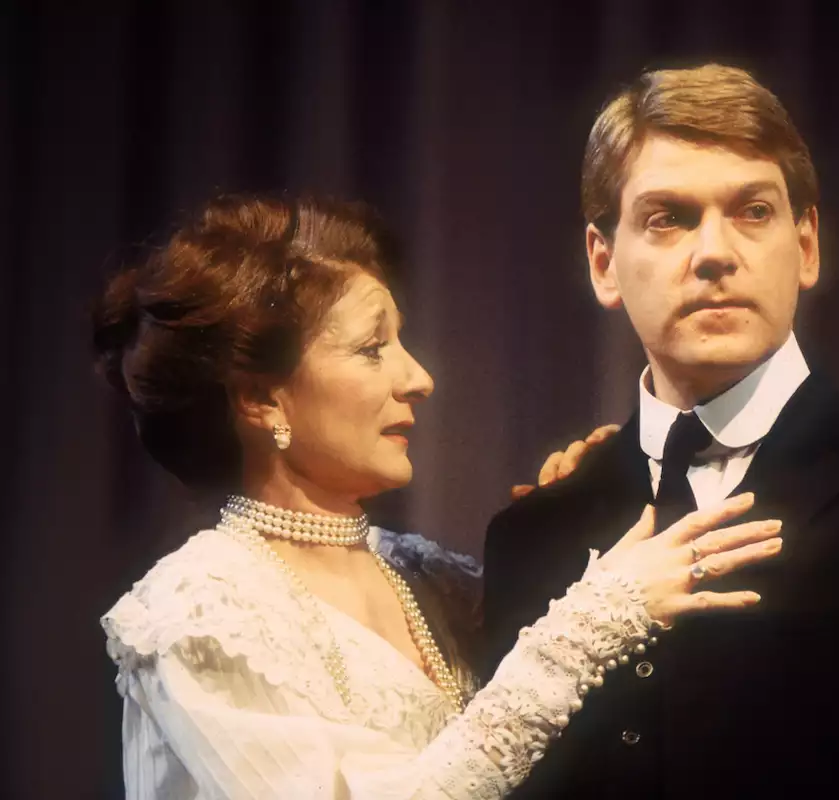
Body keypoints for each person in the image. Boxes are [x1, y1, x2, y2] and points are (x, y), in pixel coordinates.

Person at [482, 63, 839, 799]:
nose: (714, 253)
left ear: (808, 244)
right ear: (604, 263)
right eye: (668, 217)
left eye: (752, 211)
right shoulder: (529, 535)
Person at [95, 193, 785, 798]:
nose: (418, 377)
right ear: (259, 397)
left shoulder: (431, 582)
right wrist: (598, 615)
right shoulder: (197, 610)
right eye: (372, 348)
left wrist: (568, 516)